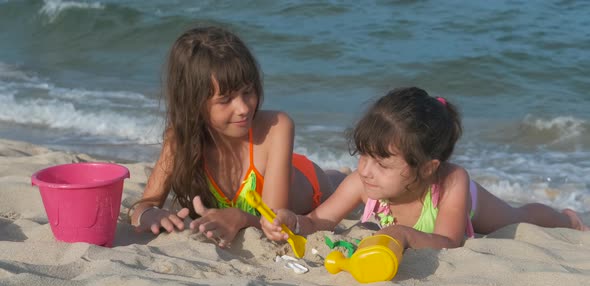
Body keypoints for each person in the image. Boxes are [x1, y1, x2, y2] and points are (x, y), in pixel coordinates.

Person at [262, 87, 588, 250]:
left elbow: (448, 241)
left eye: (381, 163)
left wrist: (404, 234)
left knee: (518, 218)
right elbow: (321, 220)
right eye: (363, 156)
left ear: (428, 168)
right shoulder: (364, 180)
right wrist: (295, 222)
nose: (364, 170)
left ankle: (568, 218)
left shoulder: (452, 180)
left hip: (474, 210)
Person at [131, 26, 345, 247]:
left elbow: (274, 221)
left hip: (310, 182)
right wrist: (150, 215)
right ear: (193, 104)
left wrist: (241, 218)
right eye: (225, 100)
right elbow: (144, 205)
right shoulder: (179, 139)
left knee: (339, 181)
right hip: (277, 168)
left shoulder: (277, 126)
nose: (243, 108)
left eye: (248, 92)